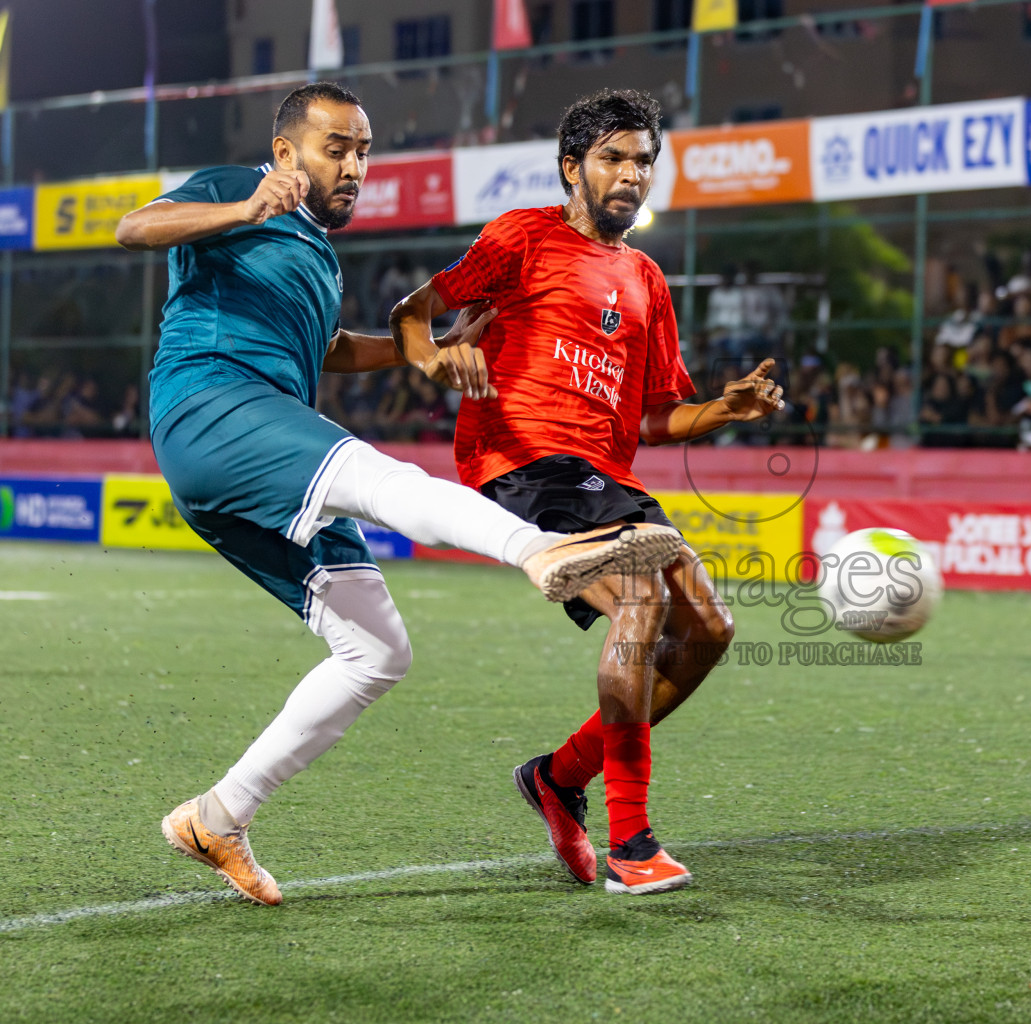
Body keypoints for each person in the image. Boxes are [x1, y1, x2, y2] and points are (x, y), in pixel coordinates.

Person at [115, 82, 682, 908]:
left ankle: (219, 814)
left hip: (249, 453)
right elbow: (135, 227)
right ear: (284, 154)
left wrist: (425, 350)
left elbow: (332, 348)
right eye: (334, 148)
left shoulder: (316, 254)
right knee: (381, 479)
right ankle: (543, 550)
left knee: (377, 650)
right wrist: (244, 207)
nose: (353, 166)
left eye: (363, 151)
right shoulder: (231, 188)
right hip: (211, 404)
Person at [391, 89, 783, 896]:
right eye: (613, 157)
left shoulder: (647, 279)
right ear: (572, 167)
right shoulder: (520, 238)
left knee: (709, 626)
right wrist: (434, 357)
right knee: (642, 600)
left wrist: (727, 410)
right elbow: (414, 311)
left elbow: (659, 413)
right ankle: (632, 844)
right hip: (524, 462)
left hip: (607, 477)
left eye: (644, 160)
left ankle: (558, 777)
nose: (631, 174)